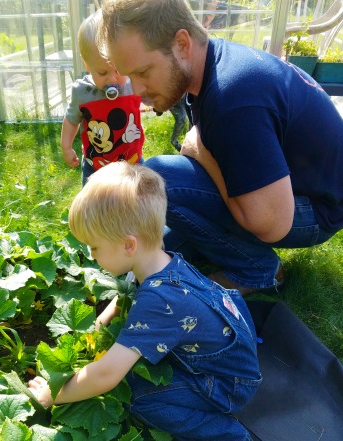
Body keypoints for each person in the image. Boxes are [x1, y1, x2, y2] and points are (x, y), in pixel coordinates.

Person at [99, 0, 343, 294]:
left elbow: (272, 223)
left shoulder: (233, 99)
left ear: (182, 44)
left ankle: (258, 270)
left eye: (143, 72)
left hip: (313, 209)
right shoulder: (210, 67)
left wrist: (200, 152)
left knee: (159, 181)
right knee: (162, 229)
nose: (136, 92)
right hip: (292, 190)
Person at [28, 161, 262, 441]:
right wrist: (101, 323)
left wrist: (53, 394)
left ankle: (227, 435)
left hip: (228, 384)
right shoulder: (160, 262)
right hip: (235, 352)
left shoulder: (159, 300)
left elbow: (106, 376)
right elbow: (129, 293)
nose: (91, 256)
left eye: (94, 247)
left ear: (128, 245)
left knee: (140, 396)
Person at [61, 8, 144, 185]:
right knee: (92, 208)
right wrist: (66, 147)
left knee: (135, 204)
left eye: (117, 69)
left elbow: (150, 94)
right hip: (96, 167)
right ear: (87, 64)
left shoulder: (132, 82)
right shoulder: (82, 92)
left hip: (133, 163)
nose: (112, 78)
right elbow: (71, 120)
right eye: (102, 72)